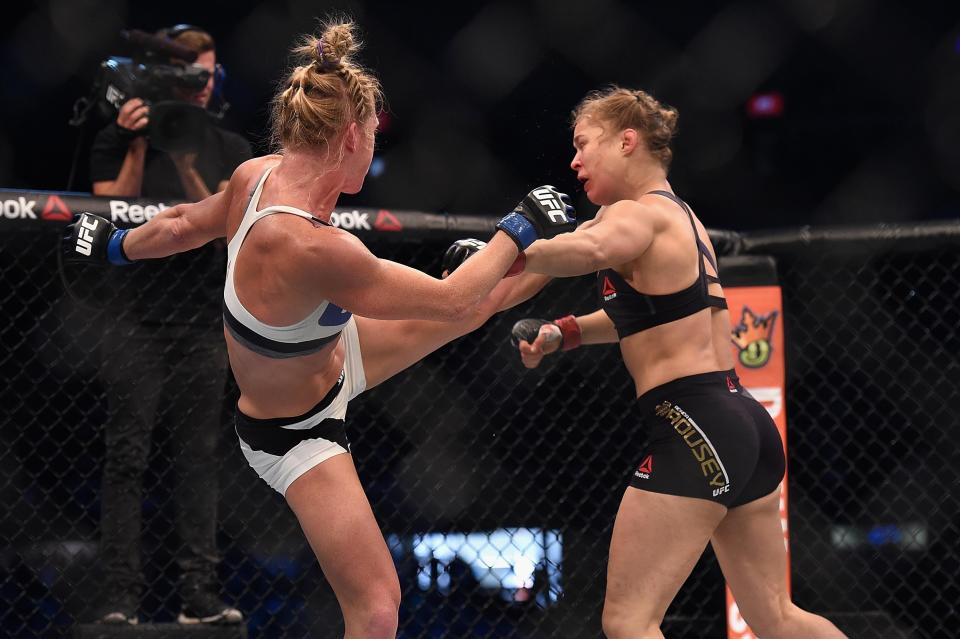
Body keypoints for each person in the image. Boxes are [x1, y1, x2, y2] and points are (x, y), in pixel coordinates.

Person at [64, 18, 574, 639]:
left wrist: (114, 245)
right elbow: (450, 295)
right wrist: (517, 225)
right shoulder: (315, 246)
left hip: (333, 349)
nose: (375, 151)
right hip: (294, 431)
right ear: (351, 134)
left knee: (480, 308)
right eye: (374, 138)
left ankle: (574, 250)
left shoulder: (255, 175)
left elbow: (177, 227)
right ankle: (555, 242)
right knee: (379, 604)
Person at [507, 86, 847, 639]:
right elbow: (646, 317)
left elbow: (588, 250)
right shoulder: (684, 222)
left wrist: (507, 248)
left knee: (628, 620)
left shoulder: (638, 216)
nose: (573, 161)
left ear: (626, 141)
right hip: (743, 423)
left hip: (693, 423)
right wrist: (563, 333)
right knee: (774, 617)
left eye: (582, 144)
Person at [86, 25, 251, 625]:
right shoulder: (118, 137)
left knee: (199, 459)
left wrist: (184, 162)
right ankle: (118, 602)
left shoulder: (231, 147)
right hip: (133, 321)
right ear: (165, 78)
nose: (202, 86)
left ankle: (198, 597)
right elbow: (112, 209)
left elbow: (230, 226)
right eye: (190, 76)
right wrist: (136, 143)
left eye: (209, 74)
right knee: (126, 457)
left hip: (203, 321)